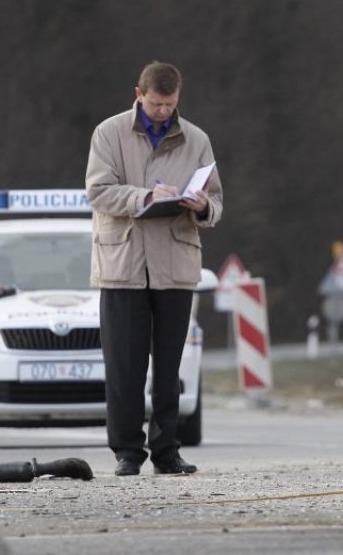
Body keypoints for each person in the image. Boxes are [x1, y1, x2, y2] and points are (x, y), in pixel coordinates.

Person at [85, 61, 223, 476]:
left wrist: (203, 207)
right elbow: (99, 191)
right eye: (157, 103)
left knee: (168, 366)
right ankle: (127, 451)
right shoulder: (108, 133)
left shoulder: (197, 139)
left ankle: (167, 450)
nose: (164, 111)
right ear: (138, 94)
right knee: (125, 366)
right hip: (123, 264)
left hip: (175, 264)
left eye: (171, 103)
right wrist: (145, 197)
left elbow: (216, 201)